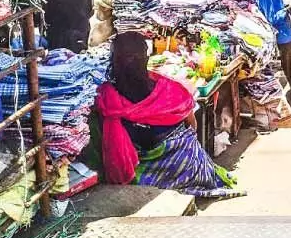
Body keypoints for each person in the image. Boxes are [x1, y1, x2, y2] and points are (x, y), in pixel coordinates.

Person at [95, 32, 241, 198]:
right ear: (146, 57)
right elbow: (192, 125)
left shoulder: (107, 98)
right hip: (186, 166)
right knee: (188, 139)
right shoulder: (168, 89)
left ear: (114, 60)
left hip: (144, 170)